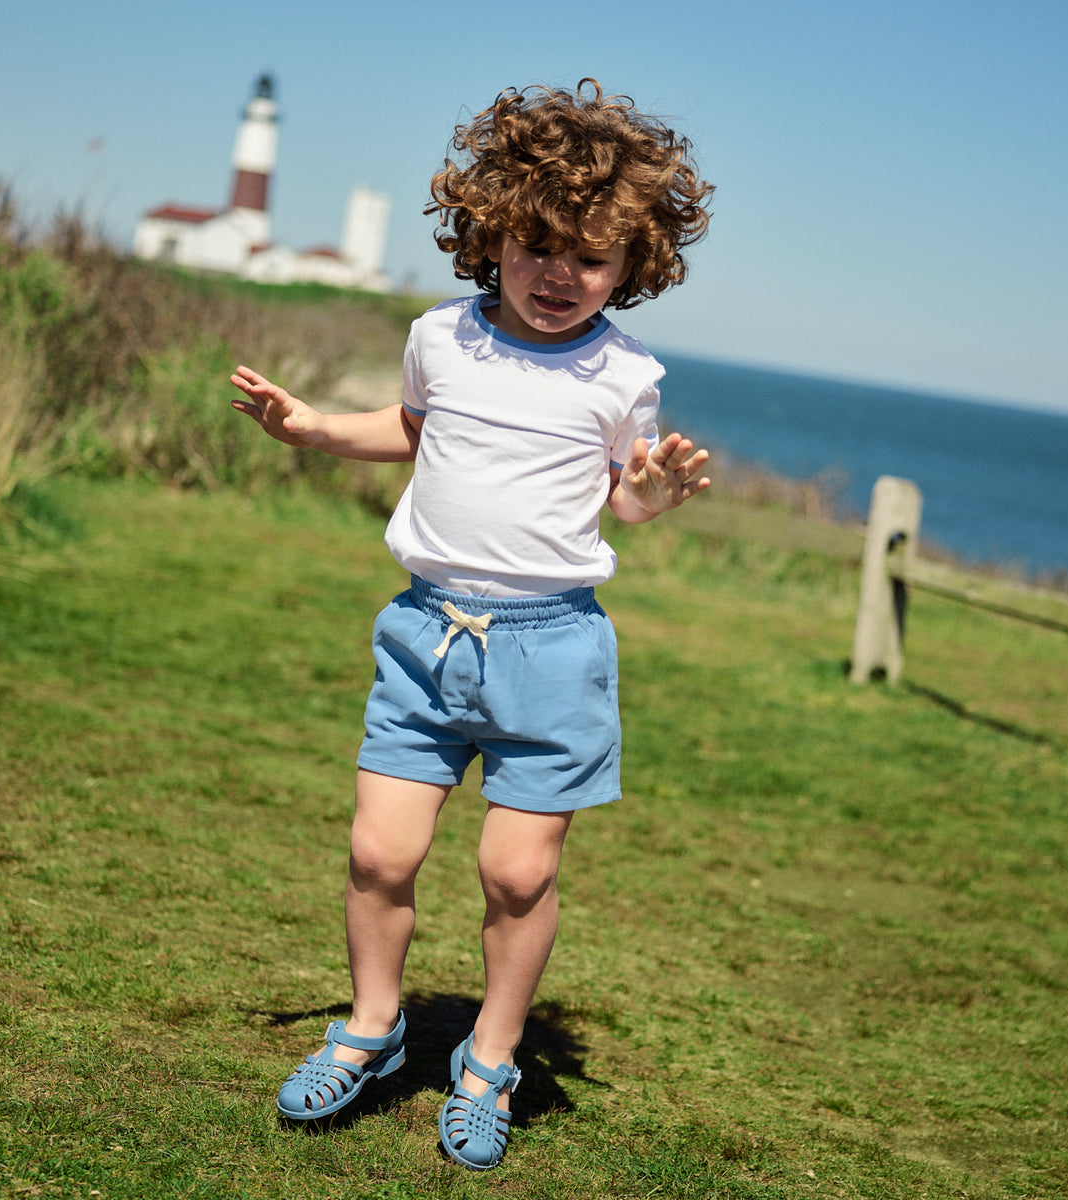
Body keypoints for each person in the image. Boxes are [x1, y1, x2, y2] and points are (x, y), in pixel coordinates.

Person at [229, 78, 714, 1170]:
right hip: (424, 634)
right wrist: (306, 427)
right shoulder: (440, 339)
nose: (561, 276)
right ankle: (372, 1028)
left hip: (552, 652)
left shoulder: (626, 375)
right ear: (489, 232)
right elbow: (408, 428)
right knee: (378, 850)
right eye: (540, 246)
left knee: (516, 875)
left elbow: (616, 497)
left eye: (592, 259)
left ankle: (490, 1060)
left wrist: (651, 498)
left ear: (634, 265)